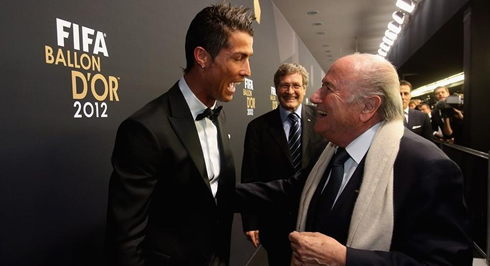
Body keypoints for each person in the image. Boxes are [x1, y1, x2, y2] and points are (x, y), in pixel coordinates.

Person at [236, 53, 472, 265]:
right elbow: (288, 190)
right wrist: (213, 194)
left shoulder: (427, 168)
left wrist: (345, 259)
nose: (315, 97)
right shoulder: (331, 151)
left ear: (367, 106)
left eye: (328, 88)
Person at [105, 3, 255, 266]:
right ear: (202, 57)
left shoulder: (218, 114)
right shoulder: (145, 129)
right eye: (238, 58)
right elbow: (126, 241)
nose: (247, 71)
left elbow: (216, 195)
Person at [240, 63, 325, 265]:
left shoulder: (323, 121)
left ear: (304, 88)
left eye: (296, 85)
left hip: (316, 218)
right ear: (276, 89)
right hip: (275, 222)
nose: (290, 91)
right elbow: (250, 176)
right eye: (284, 86)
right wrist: (250, 221)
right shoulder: (258, 128)